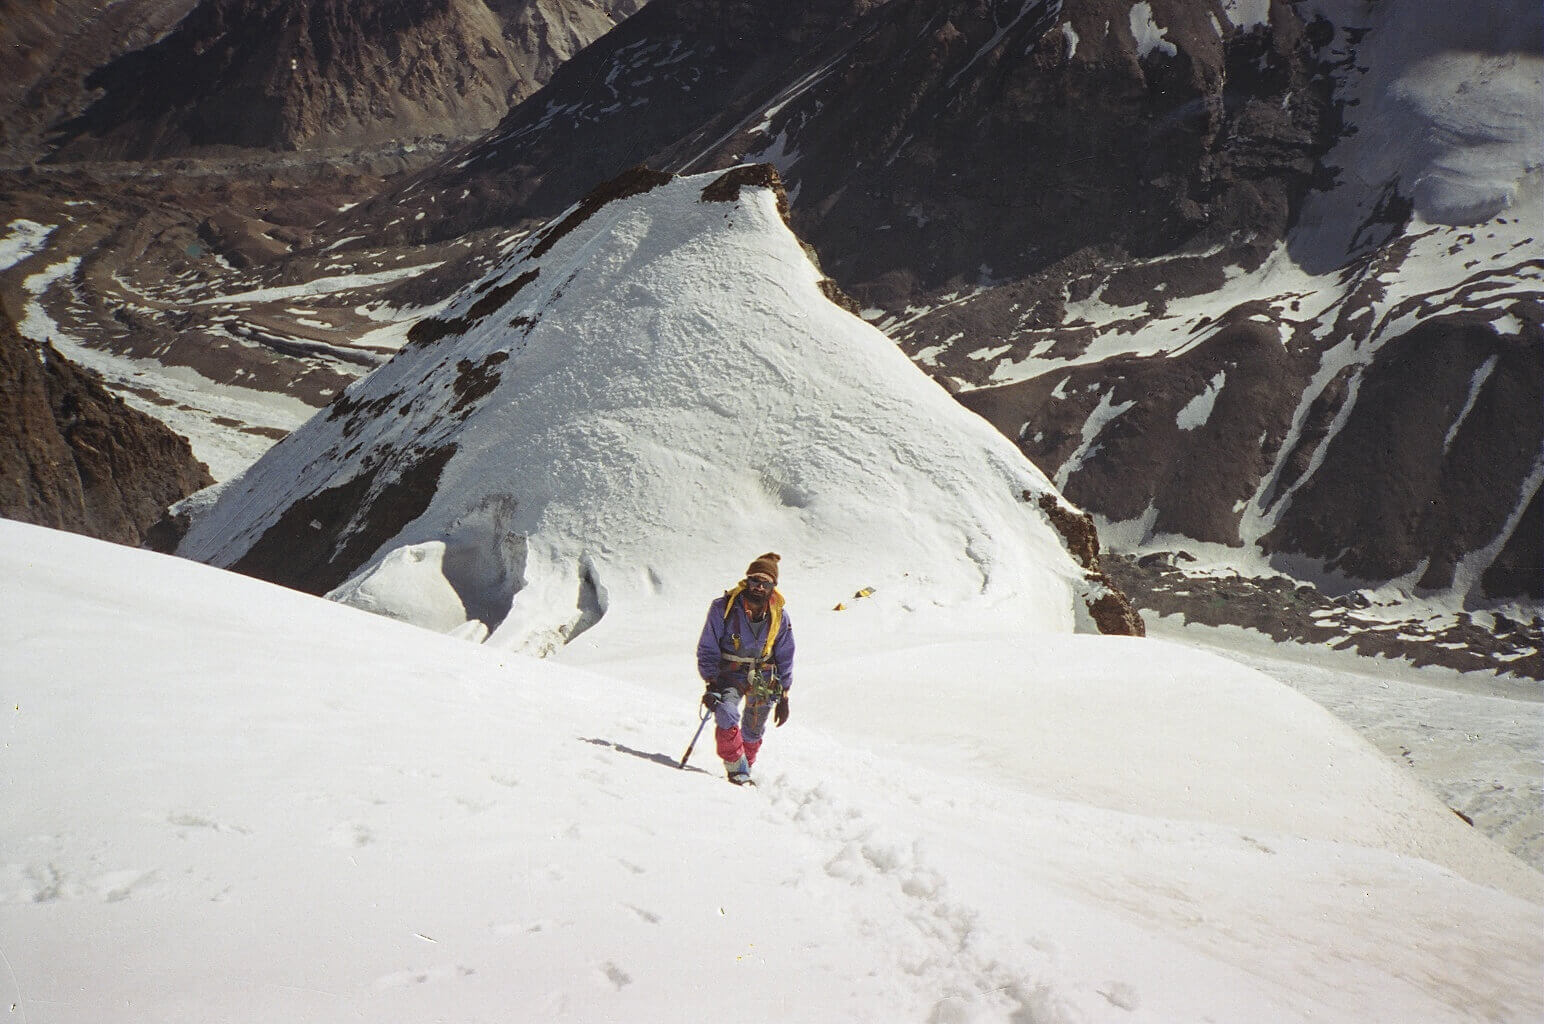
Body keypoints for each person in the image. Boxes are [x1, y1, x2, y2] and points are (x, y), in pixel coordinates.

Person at [697, 552, 795, 785]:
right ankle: (736, 767)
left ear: (773, 586)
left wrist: (784, 694)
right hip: (729, 673)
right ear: (747, 580)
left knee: (754, 727)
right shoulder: (724, 607)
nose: (759, 587)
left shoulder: (779, 615)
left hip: (764, 675)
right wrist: (711, 681)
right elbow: (708, 646)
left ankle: (745, 769)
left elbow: (785, 653)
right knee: (726, 711)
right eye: (755, 580)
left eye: (765, 583)